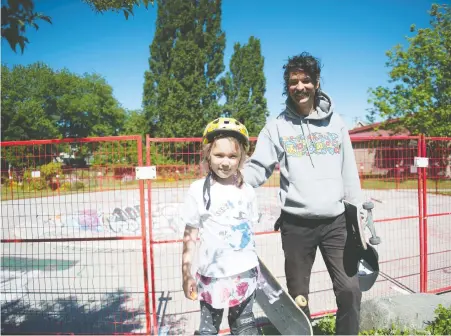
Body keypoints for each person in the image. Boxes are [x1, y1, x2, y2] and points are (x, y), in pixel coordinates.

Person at [242, 52, 364, 335]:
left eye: (306, 80)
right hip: (296, 225)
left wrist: (359, 218)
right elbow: (258, 168)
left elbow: (349, 172)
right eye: (293, 81)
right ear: (287, 86)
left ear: (316, 82)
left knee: (350, 291)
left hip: (336, 223)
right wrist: (230, 185)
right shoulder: (276, 127)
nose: (300, 86)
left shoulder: (336, 124)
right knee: (298, 299)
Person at [181, 117, 260, 335]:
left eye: (232, 156)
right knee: (208, 329)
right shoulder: (198, 190)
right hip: (212, 275)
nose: (225, 162)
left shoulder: (248, 190)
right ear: (208, 154)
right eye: (219, 155)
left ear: (241, 158)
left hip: (244, 273)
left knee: (244, 325)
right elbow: (190, 234)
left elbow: (249, 233)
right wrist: (186, 272)